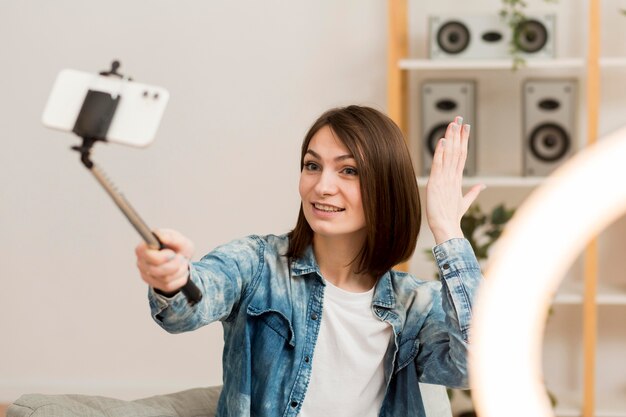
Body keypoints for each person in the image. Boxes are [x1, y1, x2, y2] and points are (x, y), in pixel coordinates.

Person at [135, 105, 484, 417]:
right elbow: (188, 306)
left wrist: (447, 230)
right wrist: (173, 278)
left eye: (348, 171)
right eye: (312, 166)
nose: (322, 186)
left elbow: (474, 367)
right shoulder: (258, 265)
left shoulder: (414, 306)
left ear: (386, 187)